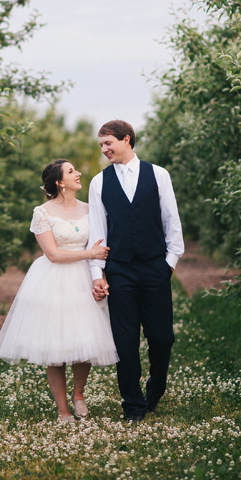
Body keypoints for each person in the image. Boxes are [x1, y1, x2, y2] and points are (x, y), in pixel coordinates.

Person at [0, 159, 118, 422]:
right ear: (59, 182)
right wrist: (91, 252)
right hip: (53, 280)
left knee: (85, 339)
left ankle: (79, 395)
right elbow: (52, 254)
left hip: (84, 277)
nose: (79, 173)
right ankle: (63, 410)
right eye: (71, 171)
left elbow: (100, 245)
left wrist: (100, 274)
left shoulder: (91, 209)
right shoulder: (42, 212)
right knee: (56, 347)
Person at [87, 120, 184, 422]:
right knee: (124, 341)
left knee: (161, 338)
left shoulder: (158, 175)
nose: (104, 150)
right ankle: (133, 405)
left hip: (156, 267)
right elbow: (98, 233)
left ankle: (155, 390)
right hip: (120, 270)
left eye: (108, 143)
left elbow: (172, 221)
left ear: (126, 139)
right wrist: (97, 273)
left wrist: (170, 263)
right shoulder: (98, 182)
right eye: (101, 145)